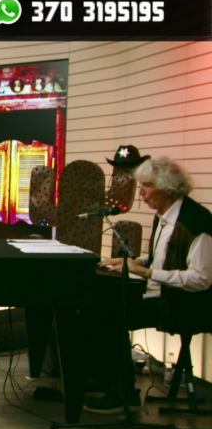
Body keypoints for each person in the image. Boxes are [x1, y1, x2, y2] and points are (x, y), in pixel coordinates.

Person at [88, 157, 212, 413]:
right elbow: (162, 256)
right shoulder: (164, 216)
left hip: (185, 304)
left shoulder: (196, 222)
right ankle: (109, 380)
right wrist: (132, 261)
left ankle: (124, 392)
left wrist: (146, 272)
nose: (141, 192)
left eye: (147, 185)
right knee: (95, 308)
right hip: (162, 296)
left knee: (111, 315)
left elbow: (201, 279)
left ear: (168, 187)